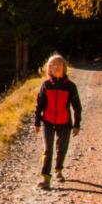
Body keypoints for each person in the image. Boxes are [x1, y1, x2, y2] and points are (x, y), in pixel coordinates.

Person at [34, 54, 81, 190]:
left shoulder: (70, 86)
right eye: (53, 65)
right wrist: (37, 122)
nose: (56, 67)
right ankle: (46, 178)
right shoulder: (46, 85)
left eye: (59, 64)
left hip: (64, 123)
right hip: (47, 122)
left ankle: (59, 169)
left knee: (61, 149)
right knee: (48, 150)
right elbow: (39, 105)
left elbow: (77, 107)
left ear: (64, 67)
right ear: (49, 68)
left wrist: (76, 124)